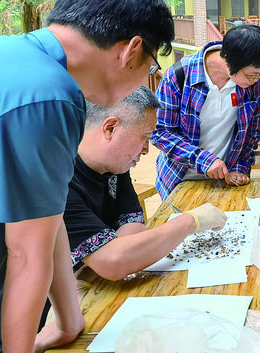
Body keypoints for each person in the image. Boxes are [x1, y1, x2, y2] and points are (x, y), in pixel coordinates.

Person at [0, 0, 174, 353]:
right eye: (151, 69)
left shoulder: (14, 56)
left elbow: (47, 220)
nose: (147, 79)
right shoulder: (52, 95)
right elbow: (25, 254)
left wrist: (68, 321)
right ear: (132, 50)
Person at [64, 87, 227, 281]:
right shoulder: (57, 180)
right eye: (145, 137)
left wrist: (121, 255)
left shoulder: (116, 165)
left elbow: (132, 225)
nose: (146, 150)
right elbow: (114, 261)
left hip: (97, 283)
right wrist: (190, 222)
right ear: (110, 128)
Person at [152, 24, 260, 199]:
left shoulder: (254, 82)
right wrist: (203, 160)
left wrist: (240, 167)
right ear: (230, 61)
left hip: (226, 179)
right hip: (181, 179)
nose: (256, 79)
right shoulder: (179, 76)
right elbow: (160, 132)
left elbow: (252, 133)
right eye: (252, 75)